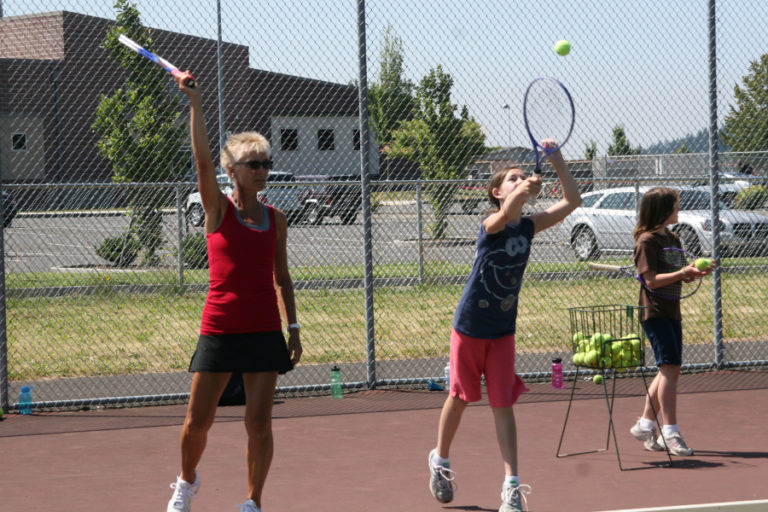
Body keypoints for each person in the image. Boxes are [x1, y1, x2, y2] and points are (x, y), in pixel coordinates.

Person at [166, 71, 302, 512]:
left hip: (264, 330)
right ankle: (186, 484)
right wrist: (196, 106)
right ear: (232, 170)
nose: (262, 171)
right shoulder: (217, 208)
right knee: (197, 422)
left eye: (266, 163)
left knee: (258, 423)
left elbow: (282, 278)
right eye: (254, 164)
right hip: (220, 328)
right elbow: (202, 162)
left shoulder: (277, 219)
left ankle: (252, 502)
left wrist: (293, 328)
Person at [428, 142, 581, 512]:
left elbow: (572, 201)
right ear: (497, 192)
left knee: (503, 403)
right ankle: (440, 459)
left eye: (522, 177)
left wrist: (556, 161)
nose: (520, 180)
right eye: (512, 179)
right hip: (469, 326)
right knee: (462, 396)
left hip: (502, 331)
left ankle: (511, 487)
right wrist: (522, 193)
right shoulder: (490, 225)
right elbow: (506, 214)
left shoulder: (529, 227)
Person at [628, 187, 713, 457]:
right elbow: (651, 280)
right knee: (669, 367)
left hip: (671, 310)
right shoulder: (646, 241)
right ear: (663, 210)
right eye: (675, 206)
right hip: (653, 312)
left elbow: (679, 274)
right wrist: (682, 272)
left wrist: (692, 273)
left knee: (671, 368)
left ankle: (644, 424)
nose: (679, 209)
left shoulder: (673, 238)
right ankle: (670, 431)